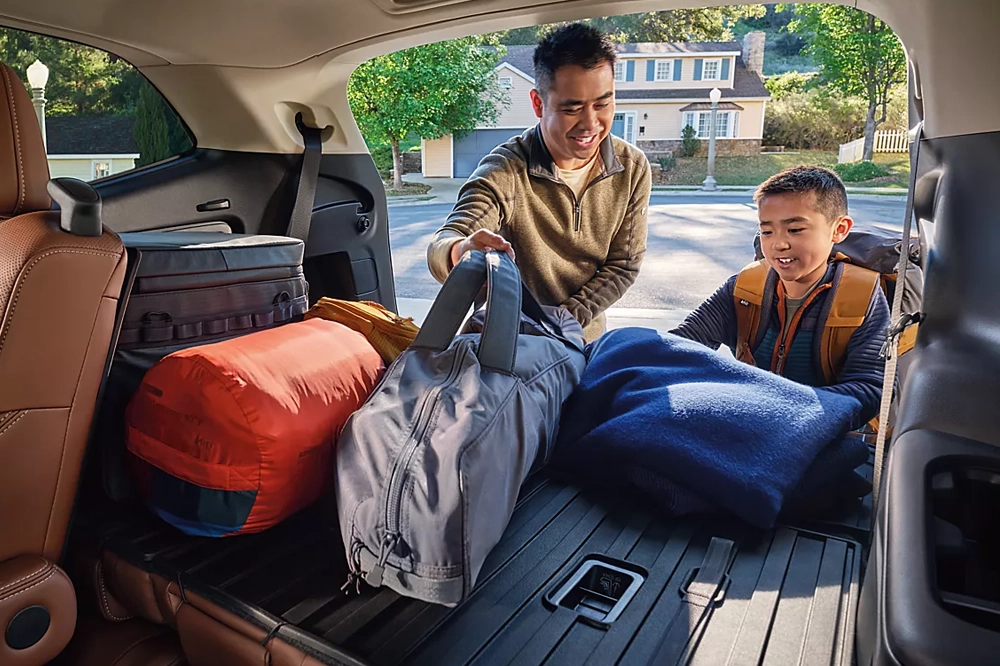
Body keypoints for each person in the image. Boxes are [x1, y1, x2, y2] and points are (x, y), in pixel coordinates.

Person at [425, 23, 651, 342]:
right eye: (571, 108)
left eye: (602, 104)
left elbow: (623, 266)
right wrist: (460, 250)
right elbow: (444, 242)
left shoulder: (632, 168)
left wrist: (560, 324)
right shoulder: (506, 169)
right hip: (506, 344)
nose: (590, 123)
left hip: (583, 342)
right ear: (537, 103)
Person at [670, 165, 890, 424]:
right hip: (750, 425)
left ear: (839, 230)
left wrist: (774, 408)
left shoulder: (862, 298)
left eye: (795, 230)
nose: (778, 244)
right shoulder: (745, 287)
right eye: (766, 231)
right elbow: (681, 346)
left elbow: (870, 389)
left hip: (823, 436)